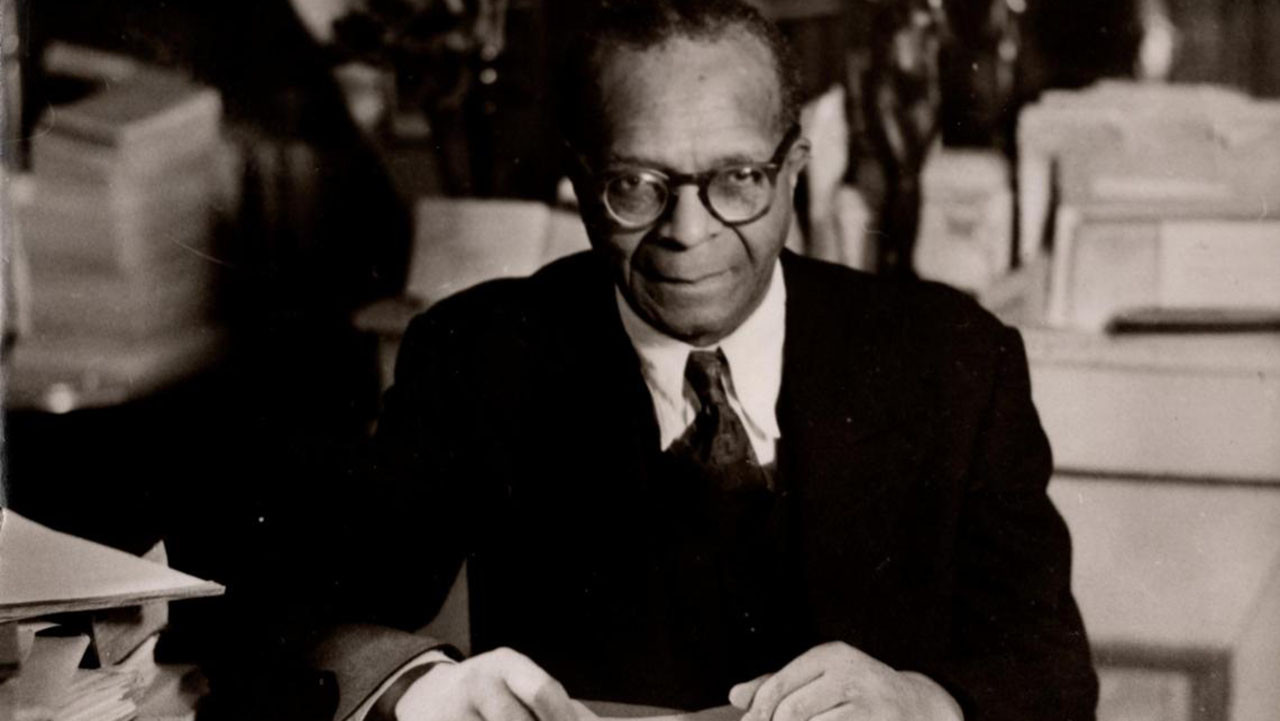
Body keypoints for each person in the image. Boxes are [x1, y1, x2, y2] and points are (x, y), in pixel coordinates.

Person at [312, 2, 1098, 720]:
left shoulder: (955, 359)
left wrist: (924, 703)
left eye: (738, 179)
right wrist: (419, 687)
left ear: (793, 169)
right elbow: (312, 613)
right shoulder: (478, 354)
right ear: (581, 181)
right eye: (635, 185)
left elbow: (1052, 673)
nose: (688, 233)